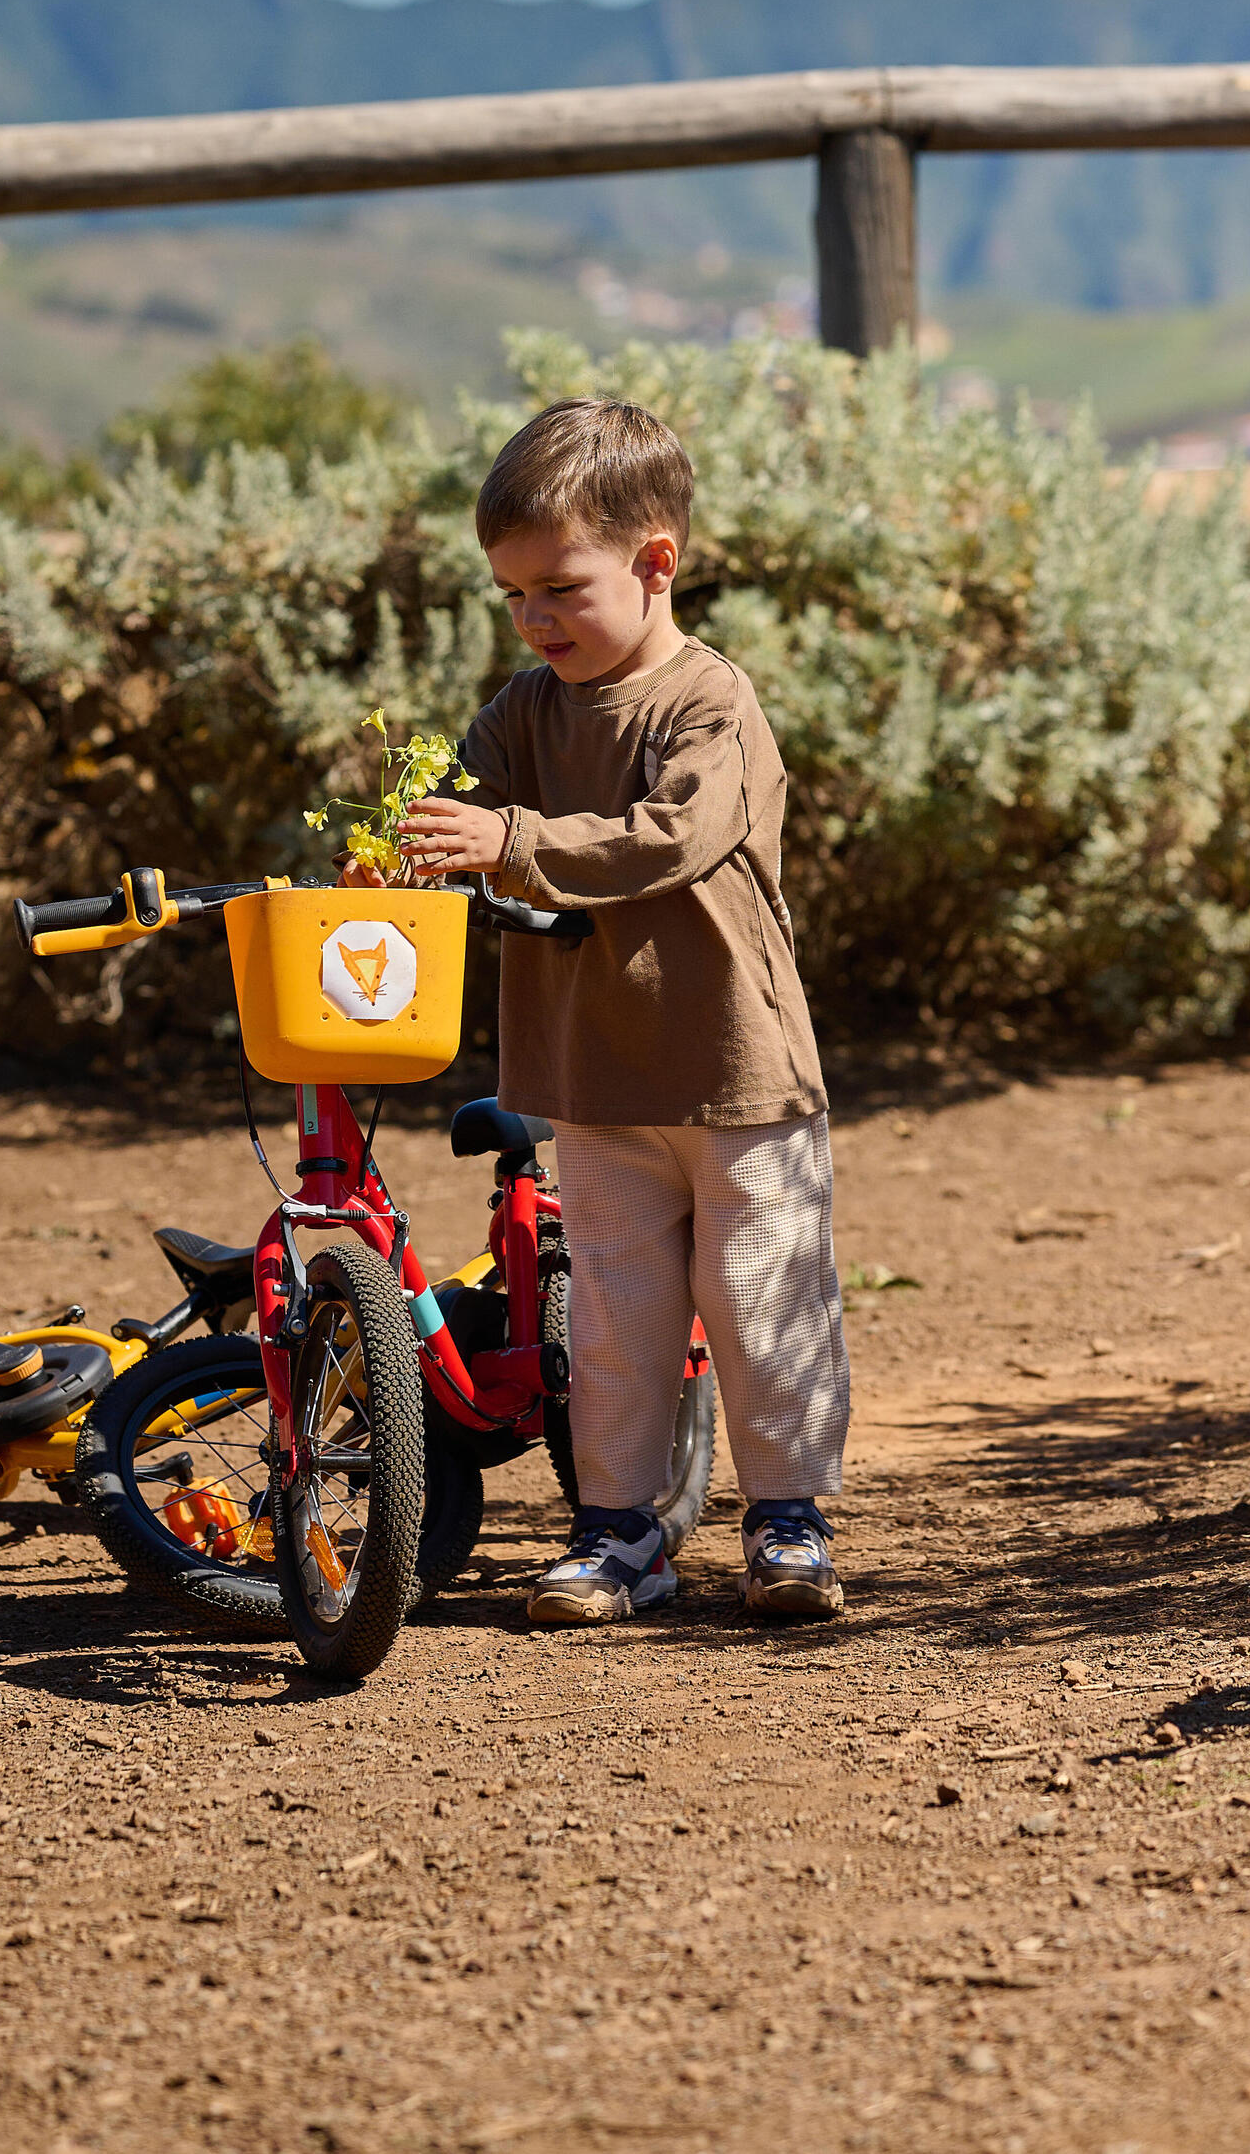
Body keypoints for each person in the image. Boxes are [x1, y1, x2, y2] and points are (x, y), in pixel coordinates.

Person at [343, 395, 848, 1624]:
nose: (534, 618)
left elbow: (669, 838)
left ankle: (788, 1525)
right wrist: (402, 852)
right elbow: (459, 809)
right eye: (512, 595)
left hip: (734, 1071)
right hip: (598, 1078)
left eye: (560, 588)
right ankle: (620, 1534)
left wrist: (505, 840)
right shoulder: (523, 713)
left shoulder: (707, 706)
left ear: (655, 562)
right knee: (616, 1318)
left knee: (760, 1297)